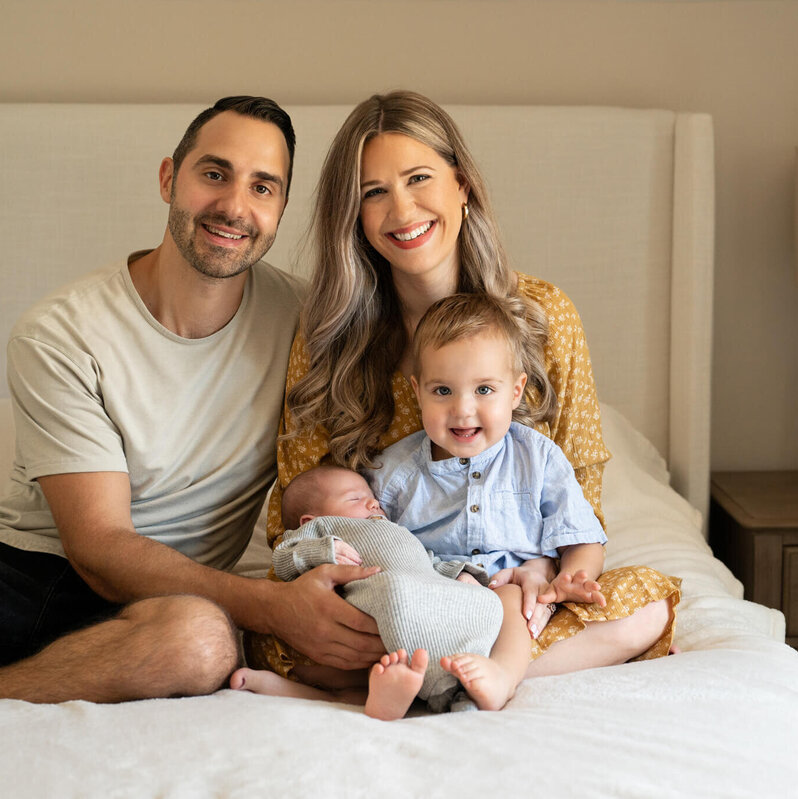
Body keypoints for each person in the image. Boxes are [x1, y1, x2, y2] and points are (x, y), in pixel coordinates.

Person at [0, 96, 387, 703]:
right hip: (16, 567)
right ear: (170, 178)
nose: (233, 206)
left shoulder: (308, 327)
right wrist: (273, 607)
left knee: (200, 646)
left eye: (263, 187)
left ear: (279, 210)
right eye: (214, 174)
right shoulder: (63, 330)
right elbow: (96, 548)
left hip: (167, 603)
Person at [244, 90, 676, 693]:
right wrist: (346, 583)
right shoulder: (328, 336)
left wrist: (541, 572)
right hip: (389, 588)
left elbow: (579, 492)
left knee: (647, 605)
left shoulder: (544, 316)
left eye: (419, 178)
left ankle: (438, 673)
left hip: (514, 587)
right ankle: (461, 670)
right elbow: (297, 509)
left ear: (463, 185)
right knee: (271, 629)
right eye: (373, 193)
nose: (401, 209)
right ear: (354, 215)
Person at [371, 292, 681, 710]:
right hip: (438, 608)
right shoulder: (394, 472)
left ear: (516, 391)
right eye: (442, 390)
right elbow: (370, 543)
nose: (463, 410)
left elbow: (583, 540)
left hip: (527, 611)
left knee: (653, 604)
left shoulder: (538, 457)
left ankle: (457, 676)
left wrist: (571, 577)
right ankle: (474, 671)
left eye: (484, 389)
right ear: (417, 391)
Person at [231, 463, 503, 719]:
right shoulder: (323, 529)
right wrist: (323, 549)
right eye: (354, 499)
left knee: (489, 601)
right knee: (397, 592)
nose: (372, 503)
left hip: (423, 589)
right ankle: (445, 687)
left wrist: (460, 574)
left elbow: (428, 561)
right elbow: (284, 559)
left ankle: (459, 676)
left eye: (372, 497)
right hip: (380, 595)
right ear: (309, 520)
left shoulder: (396, 530)